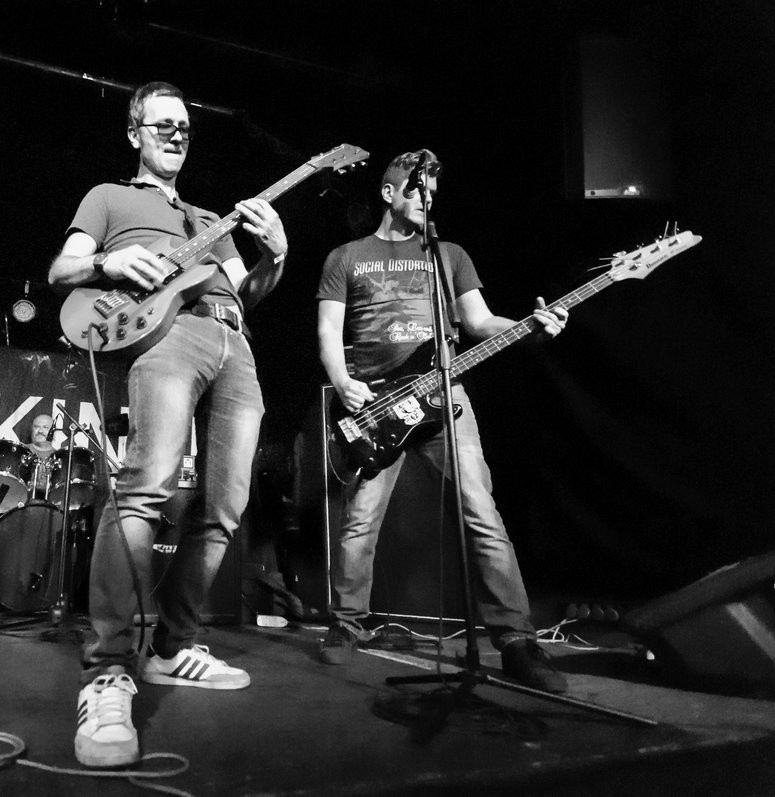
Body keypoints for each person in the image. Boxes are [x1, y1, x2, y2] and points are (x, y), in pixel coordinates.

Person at [48, 81, 288, 767]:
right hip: (167, 333)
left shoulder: (212, 218)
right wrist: (108, 259)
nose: (176, 134)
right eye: (162, 125)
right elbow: (61, 270)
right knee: (145, 486)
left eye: (184, 125)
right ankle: (107, 669)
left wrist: (275, 255)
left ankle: (174, 646)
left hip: (235, 343)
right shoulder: (108, 197)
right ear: (135, 133)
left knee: (226, 507)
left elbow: (248, 293)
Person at [315, 149, 569, 692]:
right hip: (377, 404)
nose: (426, 197)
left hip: (444, 396)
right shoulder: (347, 256)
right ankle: (346, 623)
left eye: (432, 189)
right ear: (388, 193)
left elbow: (479, 321)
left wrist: (529, 326)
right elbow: (329, 329)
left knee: (482, 513)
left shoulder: (448, 255)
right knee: (360, 520)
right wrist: (342, 380)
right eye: (416, 188)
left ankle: (516, 639)